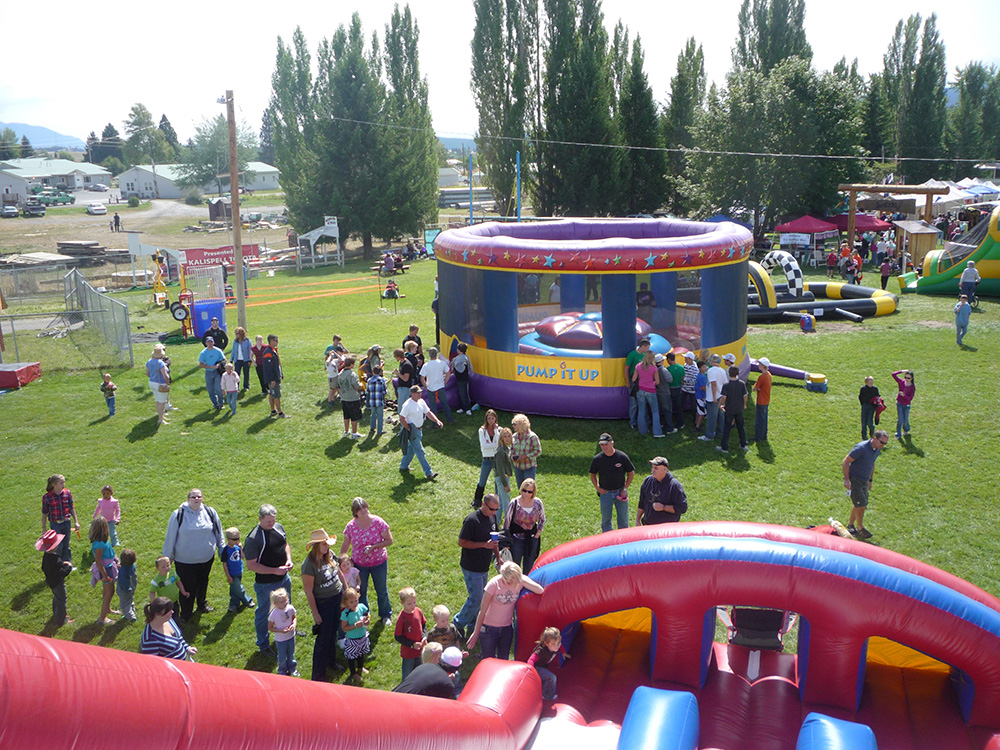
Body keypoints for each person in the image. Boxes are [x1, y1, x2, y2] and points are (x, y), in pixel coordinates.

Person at [162, 489, 224, 622]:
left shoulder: (210, 512)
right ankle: (186, 613)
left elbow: (219, 532)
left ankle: (202, 604)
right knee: (187, 587)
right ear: (188, 499)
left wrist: (222, 549)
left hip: (206, 558)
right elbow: (170, 537)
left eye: (199, 496)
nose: (196, 499)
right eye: (193, 496)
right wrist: (166, 558)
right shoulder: (178, 514)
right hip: (185, 561)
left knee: (203, 581)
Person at [465, 561, 545, 660]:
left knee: (504, 659)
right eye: (510, 580)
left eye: (515, 579)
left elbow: (540, 590)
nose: (512, 583)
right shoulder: (493, 584)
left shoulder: (519, 581)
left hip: (506, 628)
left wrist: (522, 580)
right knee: (488, 659)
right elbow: (482, 611)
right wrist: (476, 633)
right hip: (489, 629)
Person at [244, 504, 294, 654]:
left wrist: (289, 560)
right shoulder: (253, 539)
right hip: (266, 584)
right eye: (268, 522)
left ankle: (288, 631)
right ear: (260, 519)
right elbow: (251, 565)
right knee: (264, 613)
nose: (272, 524)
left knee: (286, 606)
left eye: (273, 520)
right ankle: (263, 644)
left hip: (284, 578)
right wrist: (274, 571)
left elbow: (285, 545)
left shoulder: (278, 527)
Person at [340, 497, 394, 626]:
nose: (363, 511)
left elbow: (389, 541)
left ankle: (385, 615)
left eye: (365, 508)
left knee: (381, 589)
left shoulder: (378, 522)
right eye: (360, 509)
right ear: (355, 512)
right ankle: (363, 615)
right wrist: (340, 559)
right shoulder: (351, 526)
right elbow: (346, 543)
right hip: (359, 564)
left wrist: (374, 547)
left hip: (379, 562)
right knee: (361, 590)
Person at [454, 494, 501, 638]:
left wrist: (498, 557)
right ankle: (457, 624)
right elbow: (462, 542)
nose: (494, 512)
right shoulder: (471, 520)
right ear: (484, 505)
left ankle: (472, 624)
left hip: (483, 565)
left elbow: (494, 540)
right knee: (476, 598)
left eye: (497, 509)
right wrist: (483, 545)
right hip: (471, 566)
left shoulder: (492, 518)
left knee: (480, 597)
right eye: (492, 509)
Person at [842, 430, 889, 539]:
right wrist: (846, 479)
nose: (883, 445)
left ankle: (850, 525)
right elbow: (846, 461)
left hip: (864, 480)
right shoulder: (861, 448)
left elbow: (872, 464)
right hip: (855, 480)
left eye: (885, 443)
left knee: (860, 503)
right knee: (861, 504)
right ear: (875, 438)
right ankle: (860, 528)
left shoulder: (876, 449)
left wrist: (870, 480)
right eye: (882, 442)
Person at [589, 433, 635, 533]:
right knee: (606, 521)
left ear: (612, 443)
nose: (604, 447)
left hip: (620, 492)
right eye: (602, 445)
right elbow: (592, 474)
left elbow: (631, 473)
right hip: (605, 493)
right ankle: (608, 543)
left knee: (623, 520)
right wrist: (598, 488)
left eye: (606, 444)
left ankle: (624, 540)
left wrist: (625, 488)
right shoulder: (598, 459)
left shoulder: (621, 457)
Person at [399, 385, 443, 479]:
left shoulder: (421, 402)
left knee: (411, 449)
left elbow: (428, 412)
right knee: (420, 452)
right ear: (412, 394)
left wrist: (436, 420)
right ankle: (429, 473)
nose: (419, 394)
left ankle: (403, 466)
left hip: (419, 430)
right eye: (417, 393)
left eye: (420, 393)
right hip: (413, 432)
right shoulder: (407, 405)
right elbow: (401, 418)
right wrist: (409, 429)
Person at [503, 478, 546, 573]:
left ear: (533, 492)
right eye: (524, 490)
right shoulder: (514, 503)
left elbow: (542, 519)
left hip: (531, 538)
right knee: (515, 566)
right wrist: (506, 540)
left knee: (529, 567)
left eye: (529, 492)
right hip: (516, 538)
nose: (526, 494)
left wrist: (538, 534)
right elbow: (506, 523)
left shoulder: (538, 503)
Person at [392, 642, 459, 698]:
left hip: (390, 698)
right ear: (456, 669)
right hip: (404, 709)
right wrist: (445, 680)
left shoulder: (425, 666)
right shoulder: (447, 684)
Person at [140, 596, 197, 661]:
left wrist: (187, 648)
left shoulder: (168, 620)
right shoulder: (150, 640)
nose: (172, 612)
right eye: (169, 610)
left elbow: (178, 637)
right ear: (158, 614)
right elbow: (153, 664)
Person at [635, 457, 688, 525]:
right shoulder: (647, 481)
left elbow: (682, 508)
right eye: (652, 467)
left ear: (665, 469)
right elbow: (642, 502)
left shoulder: (674, 486)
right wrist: (637, 520)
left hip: (666, 529)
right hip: (648, 526)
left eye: (656, 468)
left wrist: (663, 507)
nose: (653, 470)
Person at [38, 530, 73, 626]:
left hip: (51, 582)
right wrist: (68, 566)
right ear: (55, 546)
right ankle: (61, 620)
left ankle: (56, 613)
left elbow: (45, 568)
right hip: (58, 583)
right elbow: (62, 573)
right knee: (62, 599)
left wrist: (62, 564)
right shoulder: (56, 559)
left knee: (56, 597)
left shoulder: (47, 557)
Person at [42, 474, 79, 565]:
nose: (64, 484)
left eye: (64, 482)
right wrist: (44, 528)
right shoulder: (47, 497)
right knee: (58, 545)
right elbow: (44, 513)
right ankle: (57, 564)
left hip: (66, 522)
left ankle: (67, 564)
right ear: (54, 485)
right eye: (61, 483)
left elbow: (71, 508)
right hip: (55, 524)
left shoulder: (67, 493)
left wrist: (76, 521)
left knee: (66, 544)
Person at [89, 517, 119, 625]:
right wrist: (105, 575)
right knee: (109, 592)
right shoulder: (99, 545)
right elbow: (98, 561)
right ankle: (102, 618)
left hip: (109, 567)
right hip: (106, 570)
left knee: (108, 591)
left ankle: (108, 609)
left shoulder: (103, 541)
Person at [527, 627, 570, 700]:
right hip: (536, 668)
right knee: (552, 678)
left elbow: (560, 647)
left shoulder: (555, 646)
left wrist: (563, 653)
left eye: (558, 643)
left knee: (546, 677)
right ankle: (547, 695)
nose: (557, 646)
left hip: (543, 666)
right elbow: (531, 659)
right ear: (546, 643)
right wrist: (530, 670)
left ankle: (543, 689)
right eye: (554, 644)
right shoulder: (541, 651)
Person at [395, 587, 427, 679]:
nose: (413, 606)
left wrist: (424, 636)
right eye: (409, 603)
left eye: (414, 602)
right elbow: (398, 636)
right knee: (407, 675)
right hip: (408, 653)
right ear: (402, 603)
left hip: (420, 650)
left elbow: (424, 625)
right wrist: (412, 644)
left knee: (420, 672)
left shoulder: (418, 611)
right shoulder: (402, 618)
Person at [221, 527, 255, 612]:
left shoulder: (237, 547)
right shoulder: (226, 550)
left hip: (239, 571)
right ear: (228, 539)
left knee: (234, 589)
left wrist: (241, 548)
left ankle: (234, 604)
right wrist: (228, 576)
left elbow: (243, 557)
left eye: (238, 538)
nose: (237, 541)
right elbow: (224, 564)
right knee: (239, 588)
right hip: (232, 573)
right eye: (235, 539)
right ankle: (247, 600)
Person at [340, 588, 371, 682]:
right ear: (346, 603)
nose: (355, 603)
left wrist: (367, 619)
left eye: (356, 600)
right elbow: (344, 628)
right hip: (352, 639)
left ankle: (361, 667)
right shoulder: (345, 614)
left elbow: (367, 613)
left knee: (361, 653)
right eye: (351, 602)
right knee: (352, 656)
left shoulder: (361, 607)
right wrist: (355, 626)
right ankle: (353, 672)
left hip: (362, 636)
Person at [632, 350, 665, 437]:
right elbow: (657, 381)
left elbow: (633, 379)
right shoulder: (654, 368)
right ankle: (657, 432)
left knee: (641, 411)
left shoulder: (638, 366)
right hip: (651, 391)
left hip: (640, 390)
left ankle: (643, 430)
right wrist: (652, 383)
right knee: (655, 411)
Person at [717, 366, 749, 454]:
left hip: (729, 409)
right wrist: (744, 405)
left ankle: (724, 447)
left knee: (727, 428)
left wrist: (720, 405)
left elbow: (724, 397)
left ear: (728, 373)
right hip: (739, 408)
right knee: (740, 427)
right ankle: (743, 444)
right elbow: (745, 396)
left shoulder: (726, 385)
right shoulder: (742, 384)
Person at [268, 588, 298, 676]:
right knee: (282, 656)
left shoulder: (290, 608)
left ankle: (292, 668)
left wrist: (294, 625)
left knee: (291, 654)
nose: (285, 602)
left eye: (286, 600)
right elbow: (270, 627)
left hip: (291, 636)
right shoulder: (273, 614)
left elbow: (294, 617)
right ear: (275, 603)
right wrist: (281, 631)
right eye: (282, 602)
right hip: (281, 640)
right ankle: (282, 670)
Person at [475, 409, 501, 510]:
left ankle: (497, 501)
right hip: (487, 458)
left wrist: (495, 431)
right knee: (482, 480)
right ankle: (477, 500)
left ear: (495, 418)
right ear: (486, 419)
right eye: (489, 418)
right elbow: (484, 445)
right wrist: (494, 446)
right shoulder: (482, 430)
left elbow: (499, 443)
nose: (491, 420)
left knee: (498, 480)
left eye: (493, 418)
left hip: (497, 458)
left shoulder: (499, 429)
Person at [420, 347, 453, 424]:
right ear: (436, 354)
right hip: (440, 387)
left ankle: (435, 423)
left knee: (432, 407)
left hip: (431, 388)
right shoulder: (442, 363)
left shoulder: (426, 365)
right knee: (445, 404)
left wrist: (426, 387)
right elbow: (448, 373)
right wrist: (445, 382)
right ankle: (450, 419)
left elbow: (422, 378)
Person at [625, 338, 651, 430]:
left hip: (642, 383)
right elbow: (626, 368)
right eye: (647, 347)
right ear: (642, 346)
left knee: (643, 402)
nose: (648, 349)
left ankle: (645, 421)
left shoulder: (644, 355)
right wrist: (628, 381)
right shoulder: (632, 355)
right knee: (634, 403)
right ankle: (632, 422)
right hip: (633, 382)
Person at [700, 354, 728, 441]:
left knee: (712, 416)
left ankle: (709, 435)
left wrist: (714, 397)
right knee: (720, 415)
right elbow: (725, 383)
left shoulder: (711, 371)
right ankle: (720, 431)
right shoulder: (722, 370)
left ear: (712, 361)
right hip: (720, 395)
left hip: (713, 397)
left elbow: (713, 384)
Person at [511, 414, 542, 488]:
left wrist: (525, 457)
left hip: (529, 467)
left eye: (515, 424)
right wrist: (512, 456)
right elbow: (511, 449)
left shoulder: (532, 437)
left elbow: (538, 451)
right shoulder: (514, 436)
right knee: (520, 488)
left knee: (528, 489)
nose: (513, 426)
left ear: (521, 424)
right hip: (518, 467)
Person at [198, 336, 226, 411]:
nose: (210, 343)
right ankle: (215, 404)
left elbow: (224, 360)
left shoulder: (218, 351)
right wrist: (211, 367)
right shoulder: (203, 353)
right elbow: (201, 365)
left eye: (211, 342)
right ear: (206, 343)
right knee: (210, 390)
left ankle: (221, 403)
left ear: (213, 342)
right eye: (208, 342)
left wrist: (219, 365)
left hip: (217, 372)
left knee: (218, 388)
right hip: (208, 373)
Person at [146, 343, 171, 425]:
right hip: (160, 384)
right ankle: (160, 419)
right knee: (162, 402)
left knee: (158, 401)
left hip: (152, 382)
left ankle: (161, 416)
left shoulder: (149, 362)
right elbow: (165, 375)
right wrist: (168, 382)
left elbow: (147, 374)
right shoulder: (161, 363)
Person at [261, 334, 286, 418]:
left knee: (272, 394)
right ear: (271, 341)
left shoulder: (273, 350)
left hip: (275, 377)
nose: (277, 342)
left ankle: (273, 411)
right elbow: (268, 368)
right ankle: (280, 412)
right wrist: (272, 379)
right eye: (275, 340)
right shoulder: (268, 352)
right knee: (276, 395)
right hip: (273, 379)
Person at [338, 357, 363, 439]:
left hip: (344, 397)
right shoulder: (352, 374)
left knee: (346, 416)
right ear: (352, 364)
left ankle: (346, 431)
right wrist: (361, 385)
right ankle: (354, 433)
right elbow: (356, 386)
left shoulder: (341, 373)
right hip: (352, 398)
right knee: (354, 417)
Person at [493, 427, 515, 521]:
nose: (507, 438)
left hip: (504, 477)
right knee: (506, 501)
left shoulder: (506, 448)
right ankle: (508, 523)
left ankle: (496, 521)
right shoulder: (500, 451)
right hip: (502, 478)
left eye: (508, 436)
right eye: (504, 436)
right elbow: (500, 470)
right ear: (501, 438)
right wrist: (505, 484)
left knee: (501, 501)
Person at [452, 342, 475, 414]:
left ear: (459, 350)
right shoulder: (466, 357)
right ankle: (463, 407)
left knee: (463, 393)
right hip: (464, 377)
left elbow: (455, 366)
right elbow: (470, 368)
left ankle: (467, 408)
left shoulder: (458, 358)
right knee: (463, 392)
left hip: (461, 378)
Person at [752, 357, 772, 443]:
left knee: (759, 420)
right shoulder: (769, 375)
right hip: (766, 400)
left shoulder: (762, 377)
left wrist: (757, 387)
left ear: (763, 366)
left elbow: (755, 388)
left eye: (760, 364)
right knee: (764, 419)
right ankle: (764, 435)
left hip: (761, 401)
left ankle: (758, 437)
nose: (758, 365)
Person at [891, 369, 915, 439]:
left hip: (907, 405)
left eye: (908, 378)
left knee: (906, 420)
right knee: (900, 420)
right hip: (899, 404)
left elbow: (910, 398)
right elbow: (893, 374)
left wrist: (904, 395)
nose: (907, 379)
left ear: (912, 378)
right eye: (905, 377)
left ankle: (906, 429)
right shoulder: (901, 382)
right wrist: (902, 371)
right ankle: (898, 434)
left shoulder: (912, 387)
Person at [365, 365, 388, 437]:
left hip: (372, 400)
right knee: (380, 416)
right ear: (380, 371)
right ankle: (379, 430)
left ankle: (372, 427)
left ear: (372, 371)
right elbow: (384, 391)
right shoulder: (382, 380)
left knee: (373, 414)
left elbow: (367, 390)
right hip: (379, 401)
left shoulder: (369, 380)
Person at [666, 352, 686, 430]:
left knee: (670, 407)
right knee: (679, 407)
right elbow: (683, 378)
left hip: (670, 389)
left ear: (668, 360)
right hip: (679, 388)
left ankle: (670, 422)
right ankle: (680, 423)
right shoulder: (681, 367)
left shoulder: (668, 369)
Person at [117, 548, 138, 622]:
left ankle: (130, 616)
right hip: (132, 587)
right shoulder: (133, 566)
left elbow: (122, 582)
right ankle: (132, 611)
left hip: (125, 590)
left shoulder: (123, 571)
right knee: (130, 600)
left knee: (124, 605)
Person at [230, 326, 252, 393]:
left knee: (246, 373)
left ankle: (246, 386)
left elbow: (250, 350)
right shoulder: (235, 342)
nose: (236, 335)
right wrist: (231, 360)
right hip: (238, 360)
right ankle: (237, 387)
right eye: (236, 333)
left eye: (237, 333)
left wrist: (250, 360)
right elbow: (233, 351)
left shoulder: (247, 341)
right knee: (237, 374)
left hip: (245, 360)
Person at [859, 376, 880, 441]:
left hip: (872, 406)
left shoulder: (875, 389)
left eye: (872, 382)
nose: (871, 384)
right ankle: (864, 435)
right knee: (863, 421)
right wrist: (863, 404)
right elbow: (860, 397)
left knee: (869, 421)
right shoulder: (863, 389)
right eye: (870, 382)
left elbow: (878, 396)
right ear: (866, 383)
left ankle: (872, 430)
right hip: (865, 406)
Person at [681, 351, 698, 424]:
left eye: (686, 358)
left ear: (691, 359)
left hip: (692, 390)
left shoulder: (695, 369)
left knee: (694, 406)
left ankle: (695, 420)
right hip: (684, 388)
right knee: (681, 403)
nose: (685, 360)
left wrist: (684, 379)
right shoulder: (685, 365)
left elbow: (694, 380)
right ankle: (680, 418)